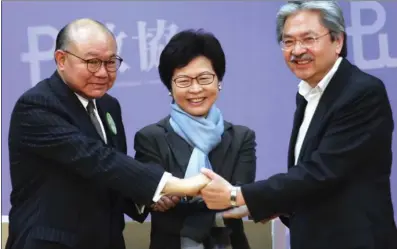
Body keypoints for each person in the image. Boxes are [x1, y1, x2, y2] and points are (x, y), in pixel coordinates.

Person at [199, 1, 397, 249]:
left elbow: (321, 171)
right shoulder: (310, 93)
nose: (297, 50)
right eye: (288, 41)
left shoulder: (361, 92)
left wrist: (236, 195)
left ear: (338, 41)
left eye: (309, 39)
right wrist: (277, 202)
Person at [6, 18, 210, 249]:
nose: (103, 72)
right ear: (61, 60)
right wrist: (173, 184)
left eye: (110, 62)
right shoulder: (37, 105)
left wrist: (149, 198)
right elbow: (96, 159)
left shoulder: (108, 106)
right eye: (92, 62)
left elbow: (108, 175)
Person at [133, 29, 256, 249]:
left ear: (219, 81)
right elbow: (154, 197)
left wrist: (179, 193)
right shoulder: (150, 138)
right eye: (183, 81)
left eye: (204, 78)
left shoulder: (241, 138)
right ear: (169, 87)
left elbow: (237, 203)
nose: (195, 89)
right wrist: (220, 196)